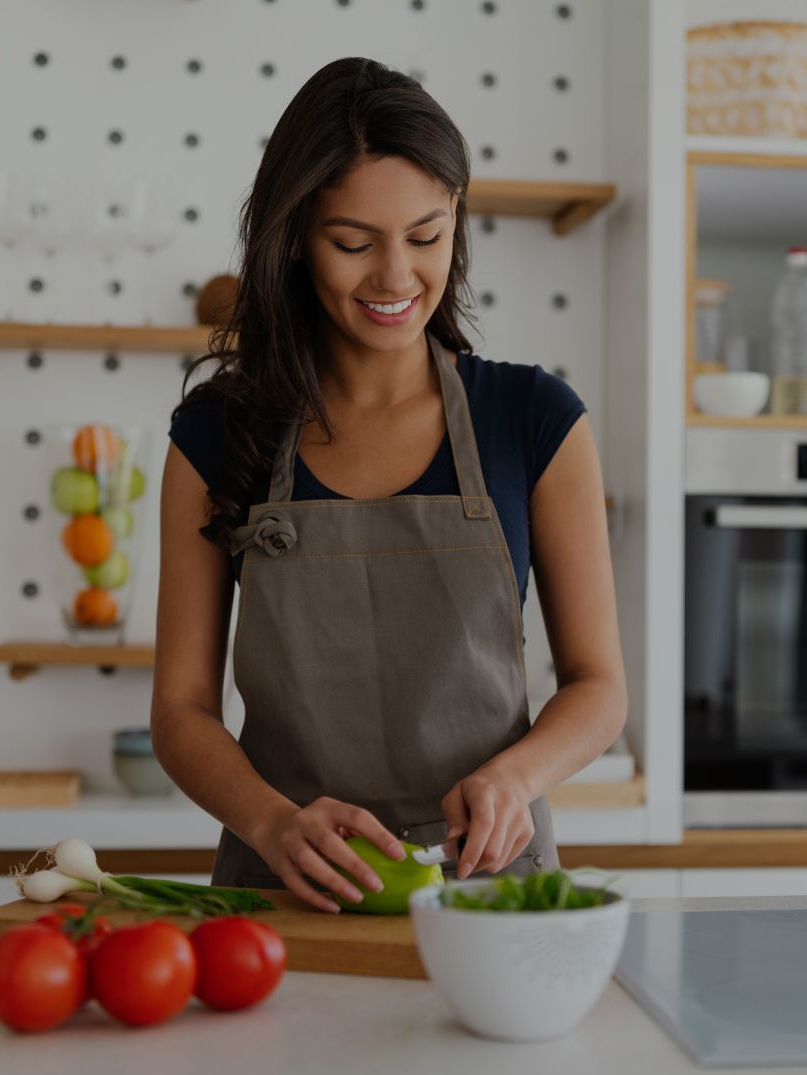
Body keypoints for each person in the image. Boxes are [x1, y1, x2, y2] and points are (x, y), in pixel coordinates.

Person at [152, 57, 625, 913]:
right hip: (287, 897)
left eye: (426, 234)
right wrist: (272, 821)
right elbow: (182, 709)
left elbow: (600, 685)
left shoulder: (537, 419)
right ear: (295, 235)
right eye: (353, 243)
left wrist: (517, 778)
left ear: (458, 223)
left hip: (490, 898)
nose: (397, 279)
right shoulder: (215, 435)